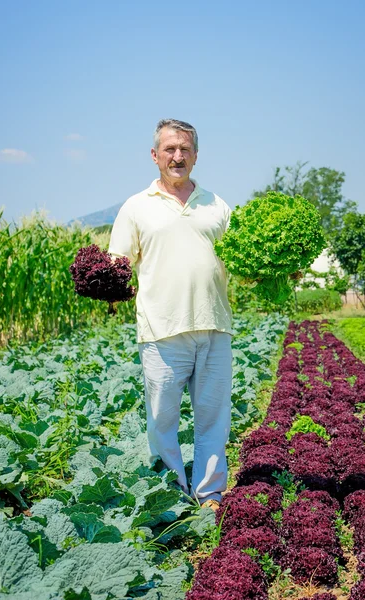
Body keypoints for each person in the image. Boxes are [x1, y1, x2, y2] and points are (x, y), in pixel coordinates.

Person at [109, 119, 232, 510]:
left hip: (214, 326)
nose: (177, 156)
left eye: (185, 149)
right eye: (169, 149)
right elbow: (118, 264)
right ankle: (171, 497)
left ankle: (209, 494)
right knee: (163, 421)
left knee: (213, 419)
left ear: (196, 155)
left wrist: (279, 270)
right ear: (155, 155)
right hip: (162, 331)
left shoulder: (217, 206)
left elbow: (244, 262)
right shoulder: (136, 207)